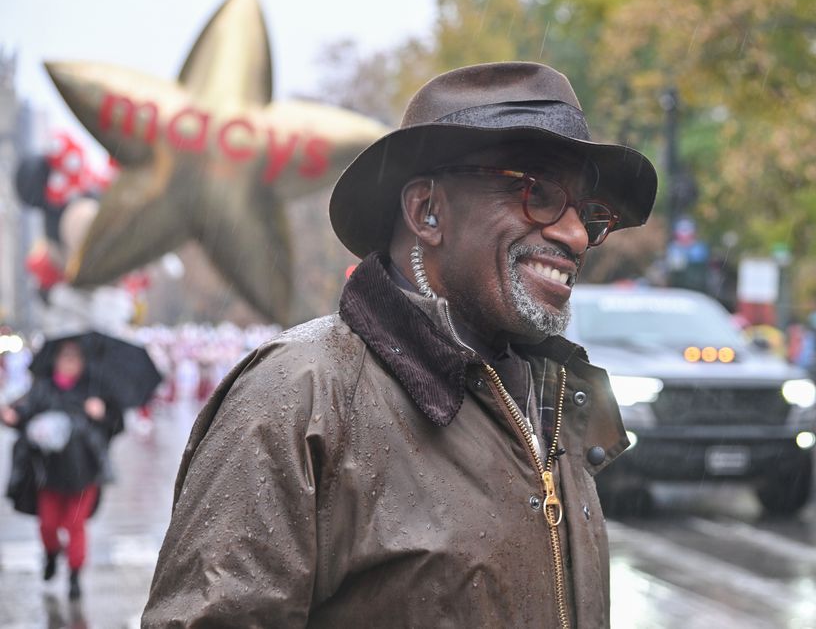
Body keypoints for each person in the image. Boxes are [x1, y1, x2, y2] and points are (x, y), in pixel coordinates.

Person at [142, 61, 657, 627]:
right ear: (427, 212)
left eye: (588, 213)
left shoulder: (555, 399)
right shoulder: (300, 395)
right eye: (536, 192)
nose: (576, 235)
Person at [1, 338, 123, 600]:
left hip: (85, 474)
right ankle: (51, 553)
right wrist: (13, 418)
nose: (69, 362)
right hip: (48, 474)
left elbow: (116, 424)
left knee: (75, 524)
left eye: (74, 357)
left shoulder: (94, 390)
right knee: (48, 524)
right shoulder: (42, 389)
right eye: (65, 356)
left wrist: (102, 413)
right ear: (56, 360)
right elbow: (25, 415)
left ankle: (75, 576)